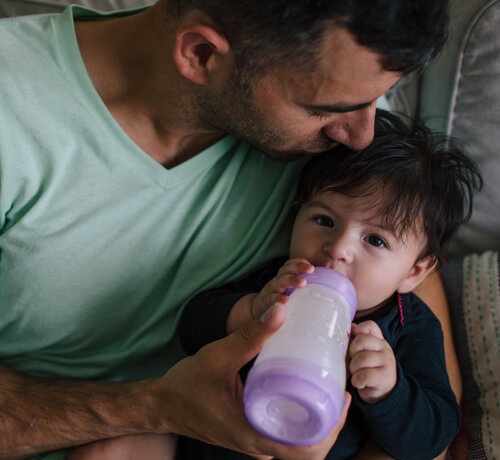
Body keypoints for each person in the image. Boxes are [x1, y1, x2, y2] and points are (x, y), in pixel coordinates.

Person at [0, 1, 453, 459]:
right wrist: (156, 408)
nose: (361, 136)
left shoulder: (343, 74)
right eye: (327, 109)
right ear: (201, 54)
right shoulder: (13, 121)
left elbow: (406, 258)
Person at [174, 110, 480, 459]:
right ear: (296, 214)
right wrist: (251, 311)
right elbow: (191, 327)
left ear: (414, 272)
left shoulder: (408, 326)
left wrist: (389, 390)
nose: (337, 249)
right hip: (211, 439)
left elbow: (434, 435)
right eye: (324, 220)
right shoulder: (278, 282)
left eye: (376, 241)